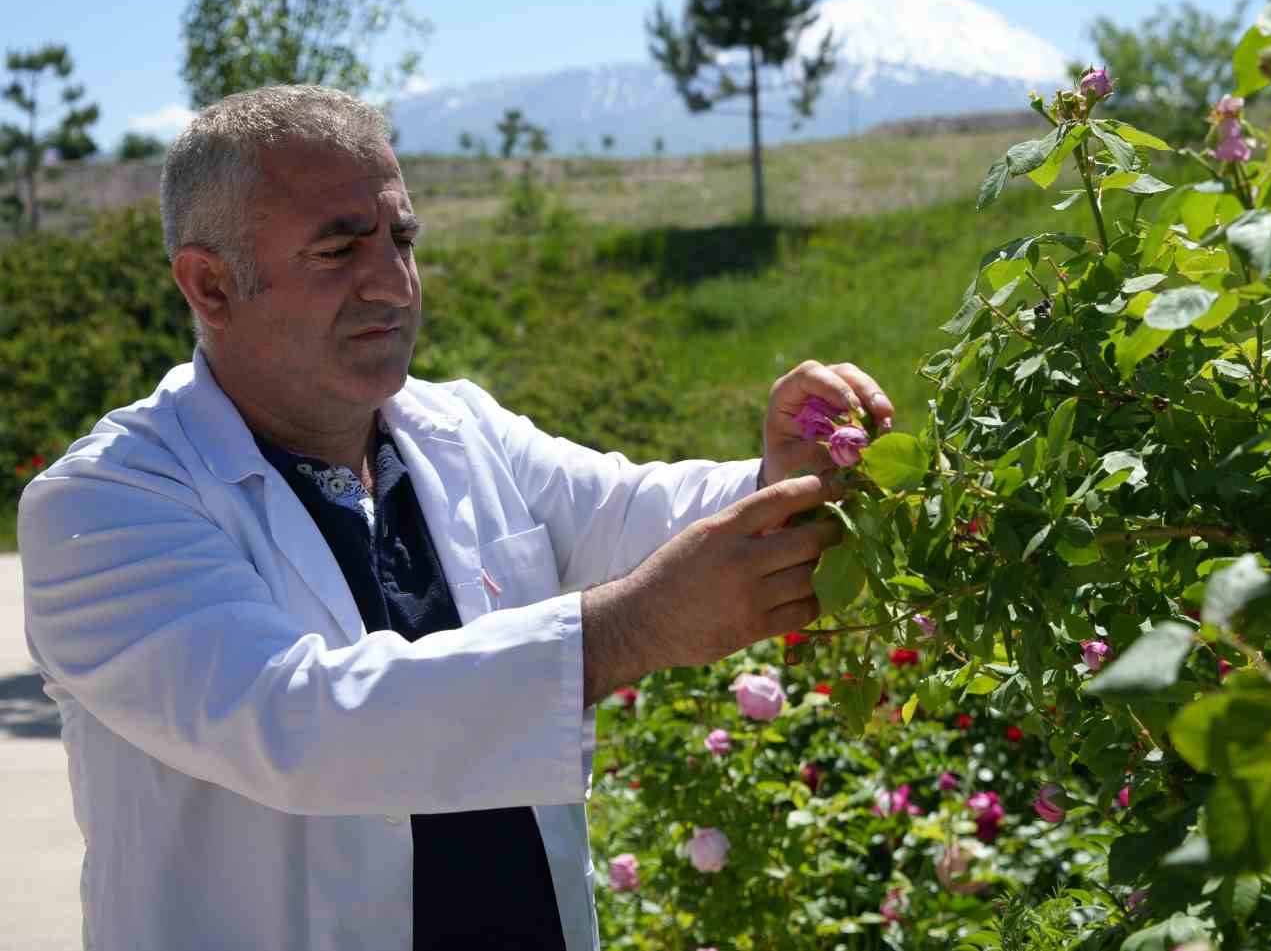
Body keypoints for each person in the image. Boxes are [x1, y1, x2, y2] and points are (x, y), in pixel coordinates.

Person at [18, 84, 895, 951]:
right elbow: (298, 721)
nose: (394, 284)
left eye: (402, 239)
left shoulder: (457, 427)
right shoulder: (105, 504)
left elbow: (627, 510)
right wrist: (634, 628)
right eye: (339, 249)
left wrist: (781, 479)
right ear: (211, 285)